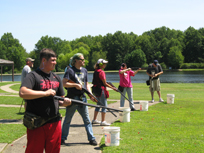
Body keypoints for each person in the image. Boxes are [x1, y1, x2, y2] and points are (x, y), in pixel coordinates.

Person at [19, 48, 71, 153]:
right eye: (52, 60)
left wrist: (65, 103)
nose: (55, 63)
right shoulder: (33, 76)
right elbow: (23, 92)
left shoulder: (57, 78)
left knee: (54, 151)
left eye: (55, 60)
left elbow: (60, 99)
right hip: (37, 123)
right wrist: (45, 93)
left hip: (54, 122)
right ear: (43, 60)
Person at [61, 53, 98, 146]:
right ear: (76, 60)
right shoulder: (70, 71)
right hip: (72, 99)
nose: (84, 61)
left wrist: (90, 95)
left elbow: (86, 84)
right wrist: (75, 85)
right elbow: (64, 83)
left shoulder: (85, 71)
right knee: (67, 120)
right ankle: (62, 138)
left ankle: (91, 138)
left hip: (82, 98)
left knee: (87, 120)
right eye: (82, 59)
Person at [92, 59, 117, 126]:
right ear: (100, 64)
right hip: (101, 90)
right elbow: (105, 83)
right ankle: (103, 121)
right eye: (104, 64)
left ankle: (94, 119)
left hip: (96, 90)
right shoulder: (102, 72)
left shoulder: (95, 71)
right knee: (104, 105)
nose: (105, 65)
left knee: (98, 105)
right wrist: (113, 88)